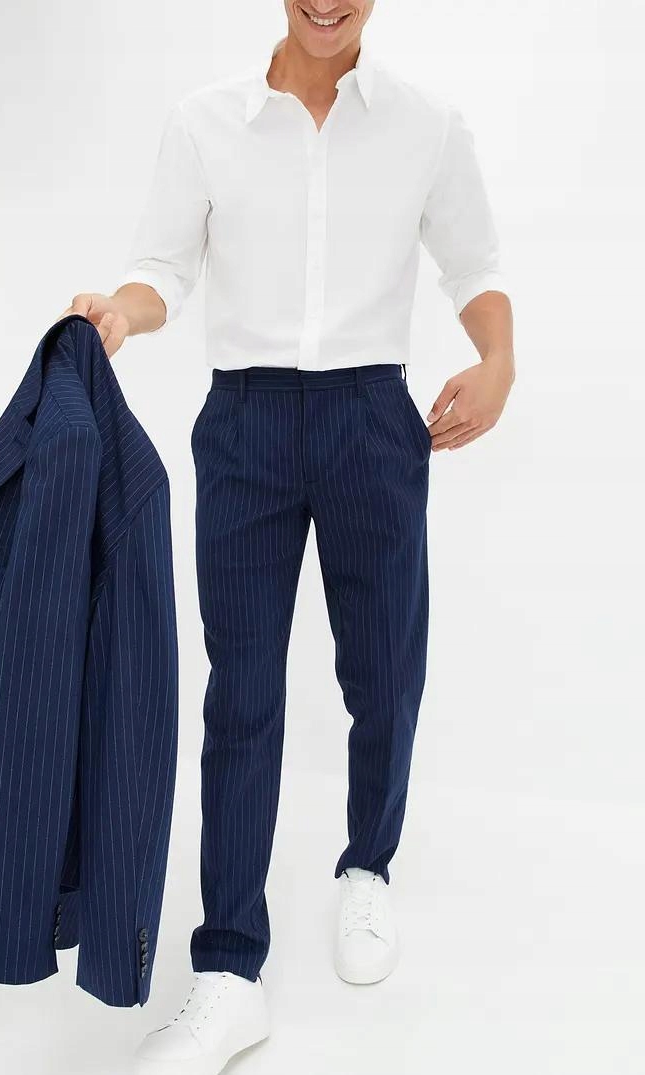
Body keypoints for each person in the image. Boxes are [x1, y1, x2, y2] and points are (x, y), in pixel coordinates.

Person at [62, 3, 514, 1071]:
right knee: (243, 693)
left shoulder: (427, 124)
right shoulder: (205, 122)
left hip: (372, 418)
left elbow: (476, 265)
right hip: (246, 425)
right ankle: (228, 970)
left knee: (385, 669)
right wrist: (120, 312)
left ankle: (367, 867)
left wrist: (498, 362)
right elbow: (162, 269)